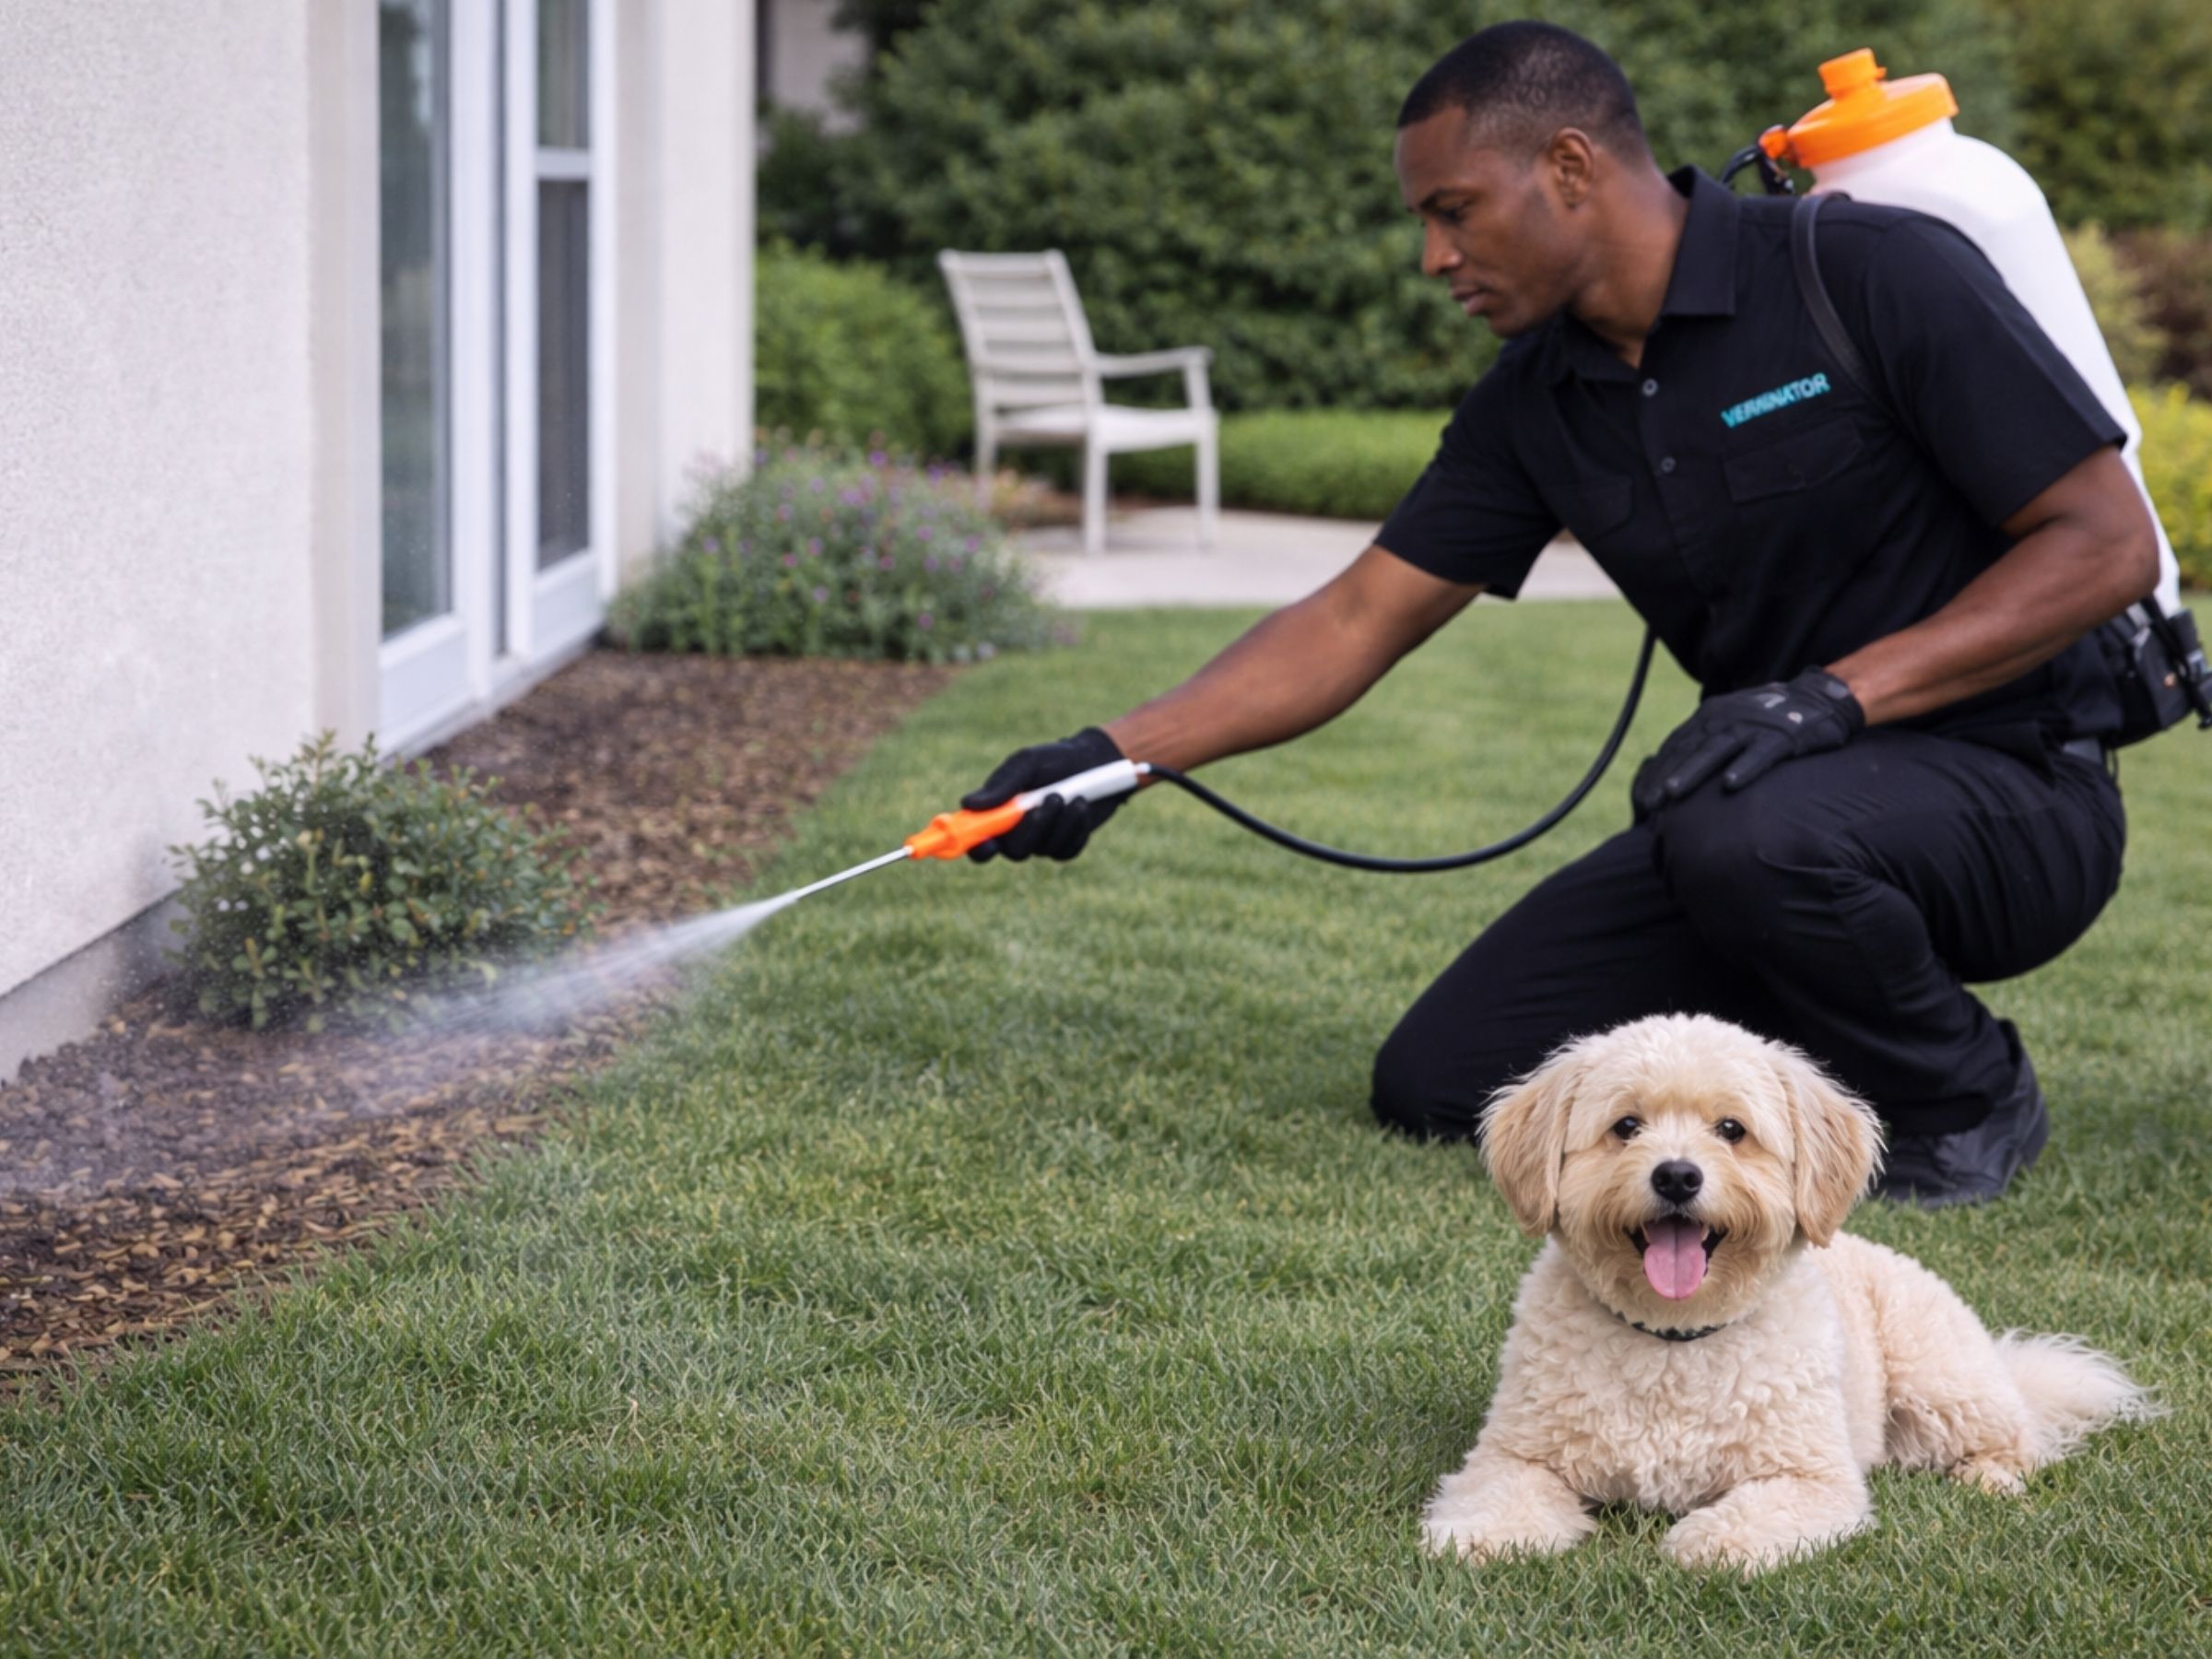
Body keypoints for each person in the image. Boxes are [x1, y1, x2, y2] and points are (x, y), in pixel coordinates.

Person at [960, 21, 2159, 1206]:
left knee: (1742, 840)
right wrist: (1112, 762)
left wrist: (1827, 701)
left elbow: (2105, 545)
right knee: (1451, 1078)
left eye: (1453, 210)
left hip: (2017, 789)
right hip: (1771, 807)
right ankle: (1801, 1056)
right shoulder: (1534, 403)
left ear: (1571, 168)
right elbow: (1356, 616)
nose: (1433, 257)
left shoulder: (1860, 274)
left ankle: (1965, 1093)